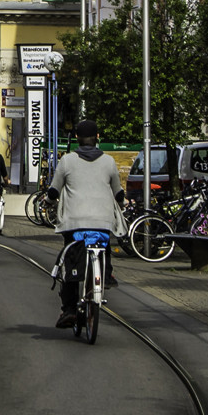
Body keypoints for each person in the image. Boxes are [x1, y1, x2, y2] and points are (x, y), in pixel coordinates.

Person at [48, 119, 124, 329]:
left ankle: (70, 310)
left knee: (71, 262)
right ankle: (106, 274)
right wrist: (121, 202)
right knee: (103, 241)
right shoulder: (108, 162)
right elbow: (118, 192)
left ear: (76, 138)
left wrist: (48, 202)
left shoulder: (67, 161)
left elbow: (54, 190)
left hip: (75, 224)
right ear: (97, 138)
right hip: (103, 222)